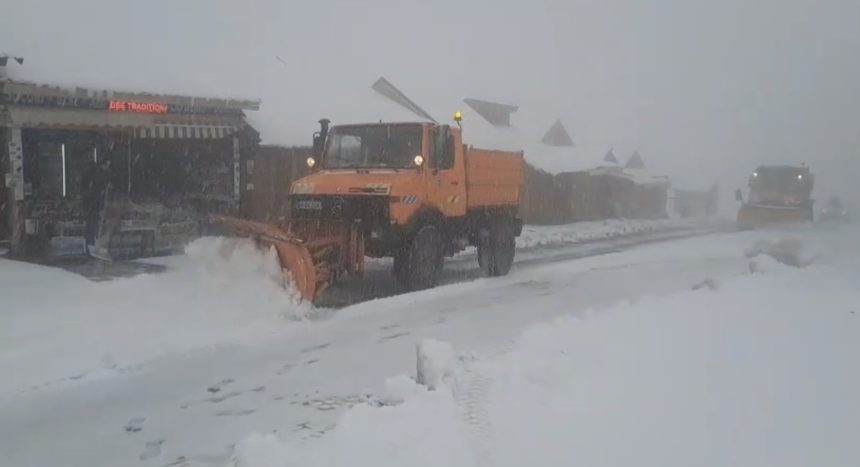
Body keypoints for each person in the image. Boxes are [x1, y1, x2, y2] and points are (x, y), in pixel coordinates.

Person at [81, 157, 111, 255]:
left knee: (92, 227)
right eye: (106, 165)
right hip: (93, 206)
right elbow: (96, 192)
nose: (107, 167)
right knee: (92, 227)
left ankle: (90, 247)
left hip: (92, 205)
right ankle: (90, 248)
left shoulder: (97, 174)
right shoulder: (97, 175)